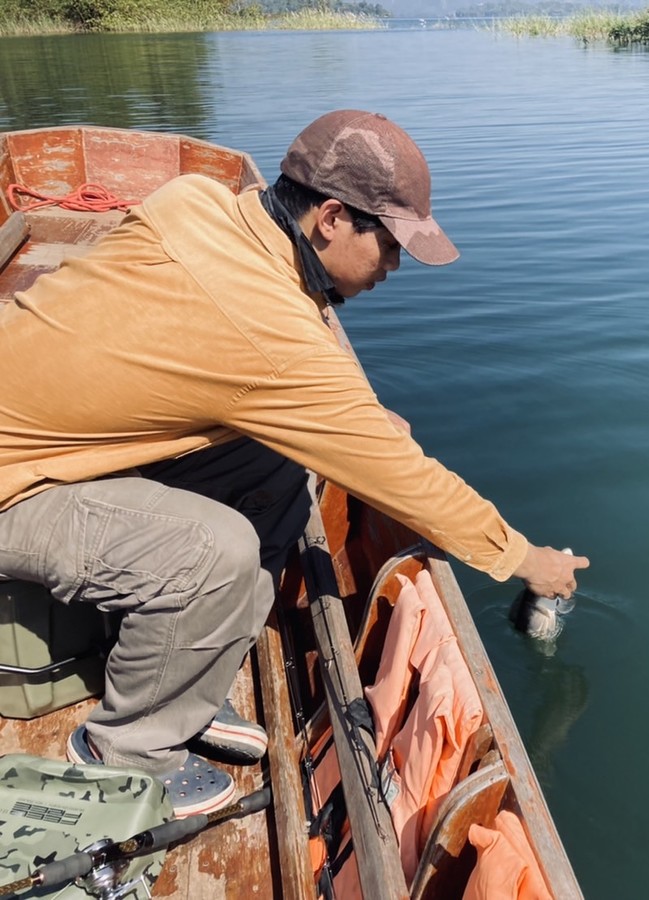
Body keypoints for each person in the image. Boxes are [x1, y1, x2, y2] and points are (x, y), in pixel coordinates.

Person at [0, 109, 588, 817]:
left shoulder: (197, 202)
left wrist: (347, 419)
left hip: (42, 444)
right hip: (13, 488)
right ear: (333, 218)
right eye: (390, 246)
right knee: (213, 551)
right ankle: (126, 753)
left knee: (282, 466)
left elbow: (237, 344)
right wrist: (527, 558)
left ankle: (188, 682)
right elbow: (406, 479)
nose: (394, 269)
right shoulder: (268, 335)